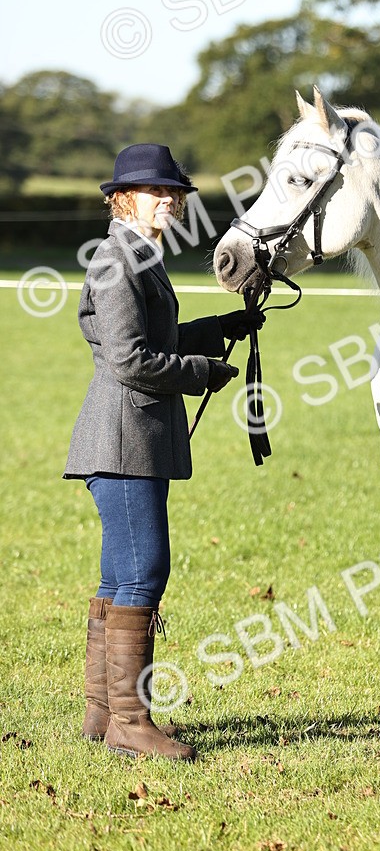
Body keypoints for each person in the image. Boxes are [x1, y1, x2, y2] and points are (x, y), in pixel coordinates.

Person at [64, 143, 263, 761]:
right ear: (123, 198)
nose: (171, 202)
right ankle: (130, 720)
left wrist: (219, 328)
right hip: (122, 441)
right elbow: (128, 359)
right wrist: (200, 370)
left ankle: (103, 715)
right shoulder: (115, 260)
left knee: (119, 576)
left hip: (130, 439)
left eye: (175, 193)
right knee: (147, 571)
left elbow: (156, 339)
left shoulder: (135, 255)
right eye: (158, 192)